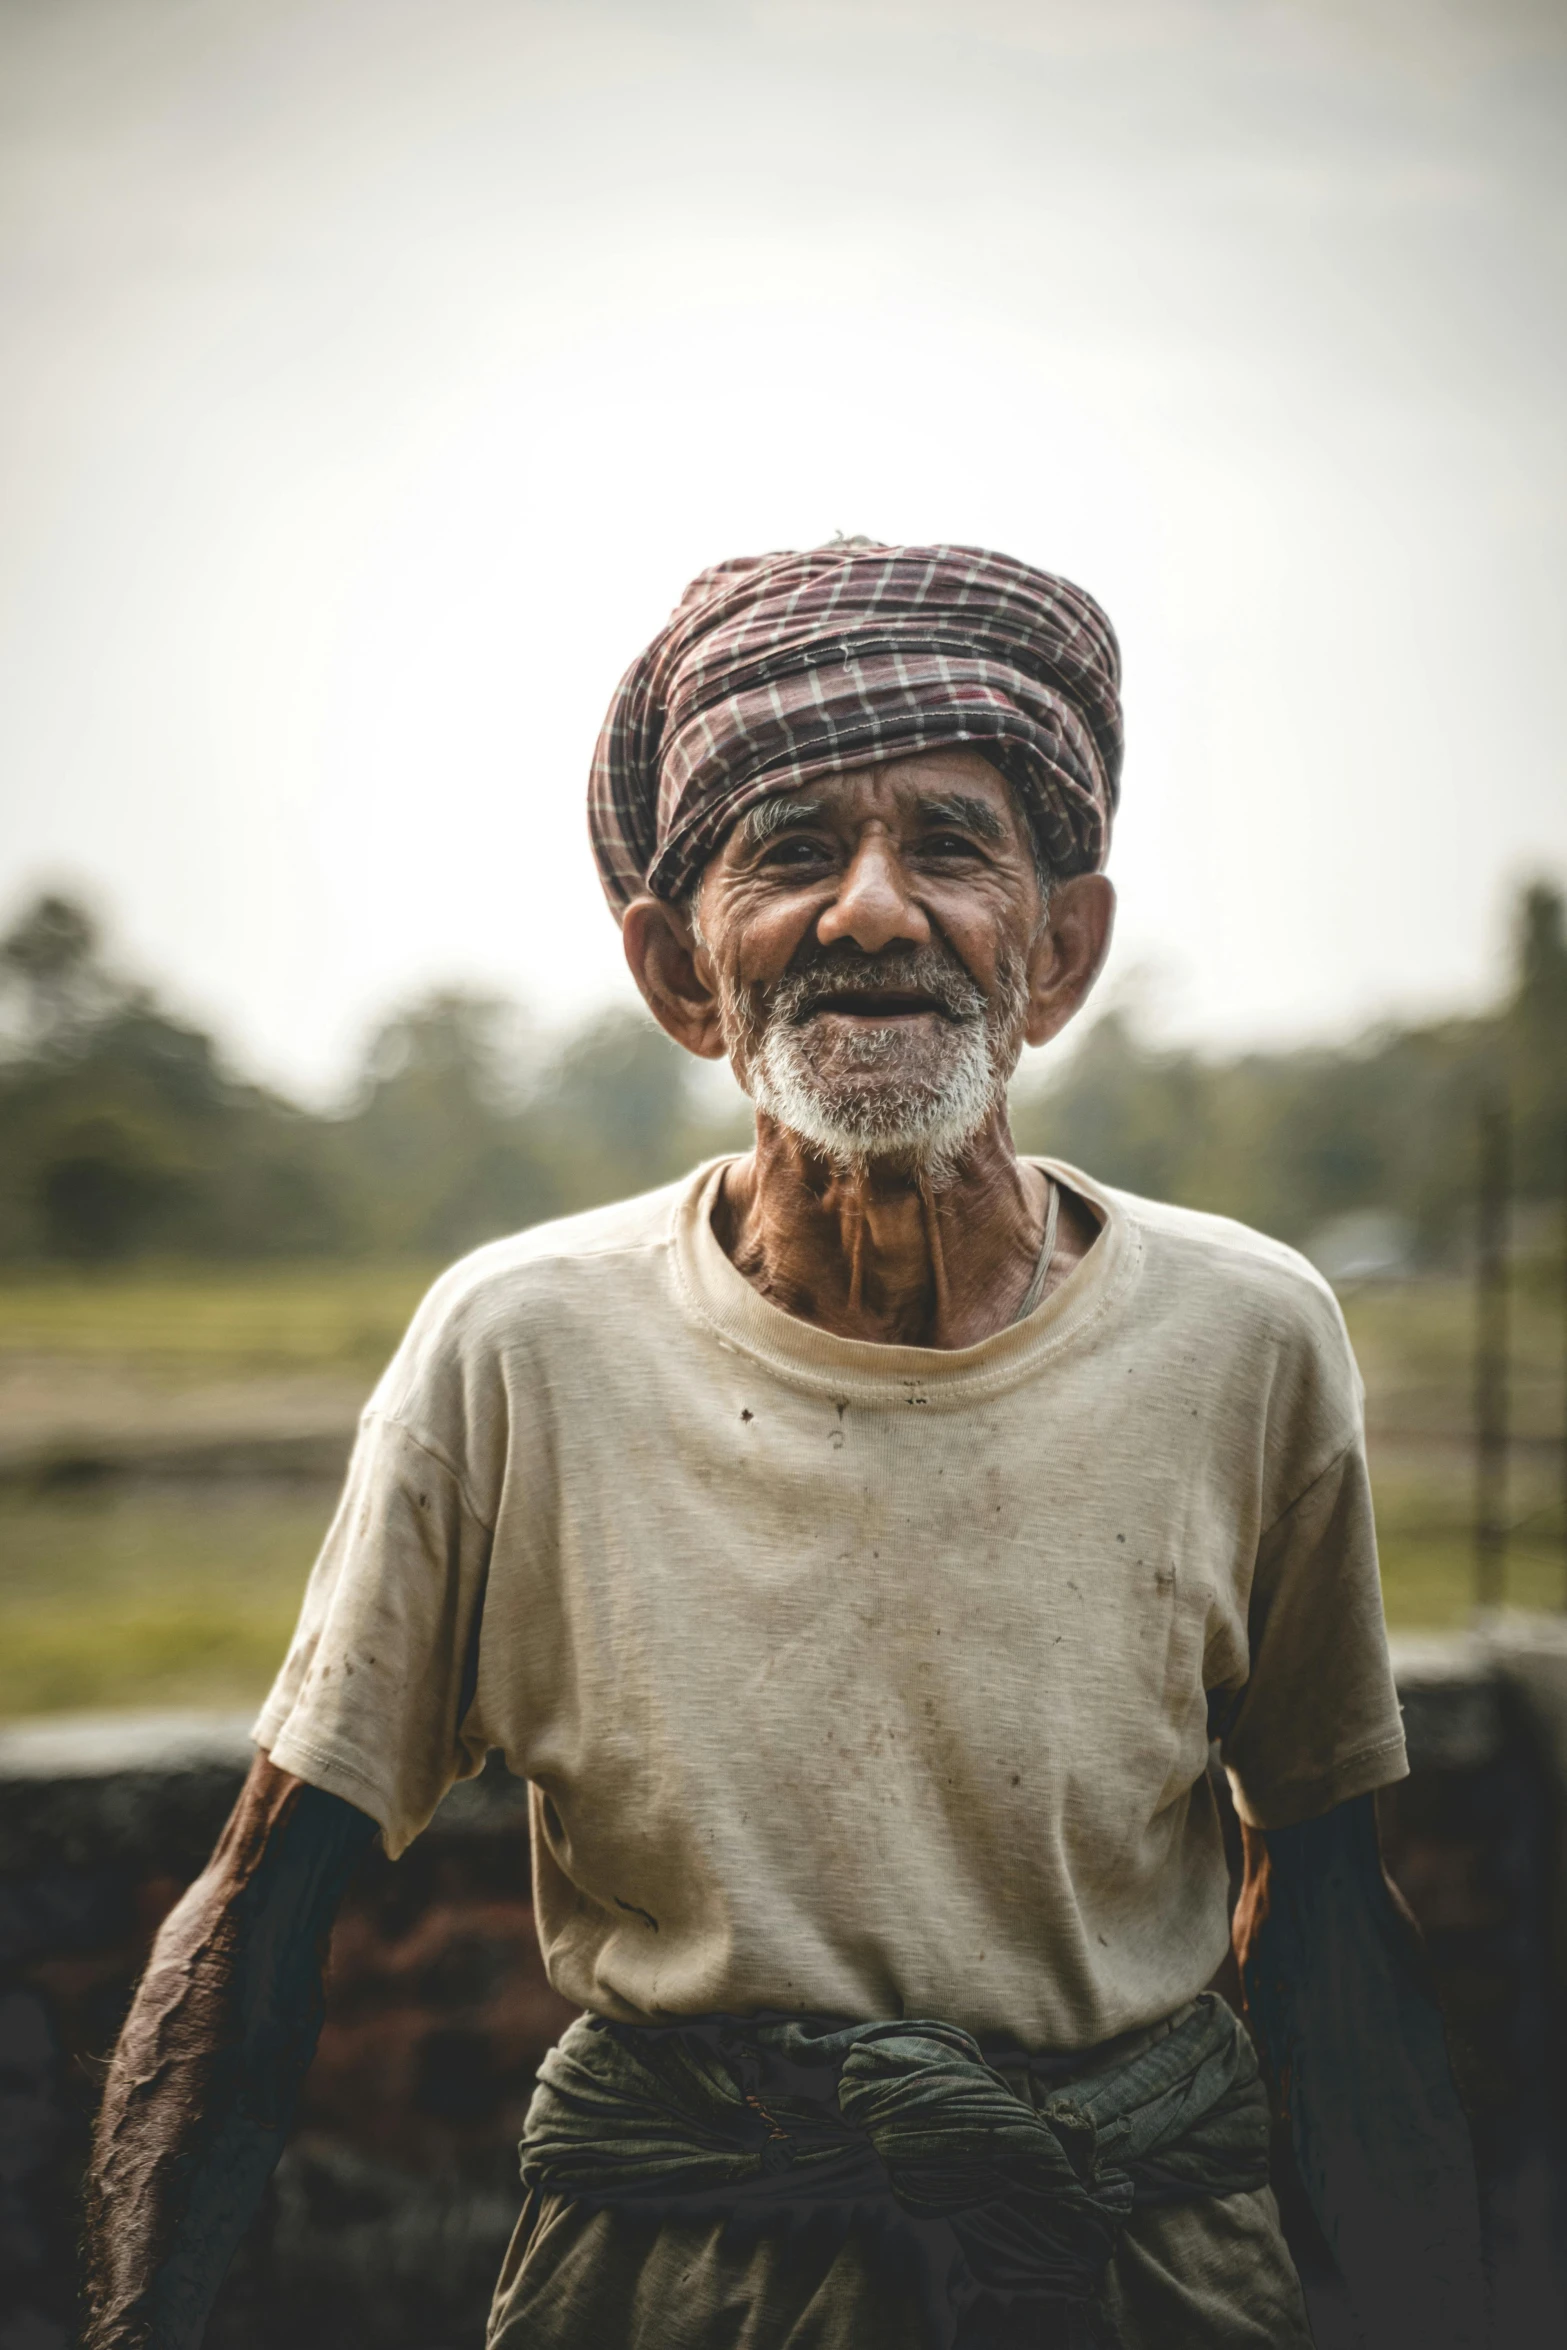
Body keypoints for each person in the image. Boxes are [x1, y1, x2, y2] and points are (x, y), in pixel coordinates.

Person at [85, 540, 1484, 2350]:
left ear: (1059, 948)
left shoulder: (1248, 1335)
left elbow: (1331, 1931)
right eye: (795, 847)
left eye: (953, 844)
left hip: (1144, 2281)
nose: (875, 910)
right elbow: (262, 1912)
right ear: (680, 970)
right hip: (672, 2293)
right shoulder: (519, 1349)